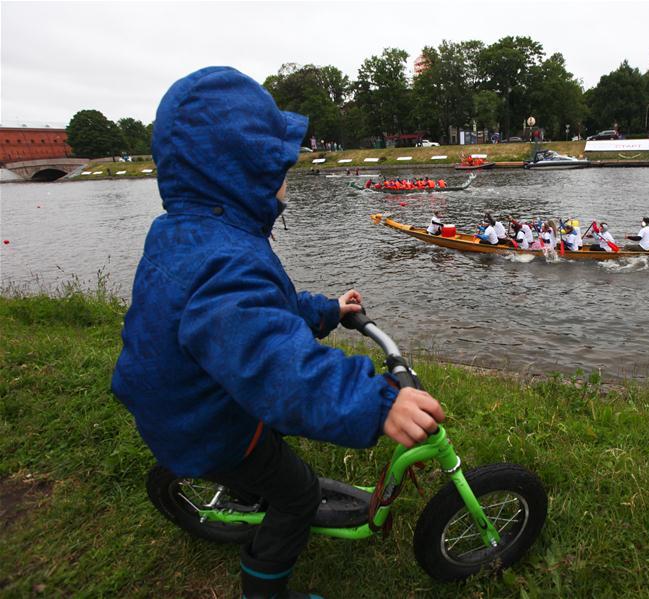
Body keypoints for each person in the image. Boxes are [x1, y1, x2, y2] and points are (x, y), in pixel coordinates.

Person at [111, 67, 444, 599]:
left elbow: (267, 311)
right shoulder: (228, 260)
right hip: (206, 421)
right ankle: (265, 592)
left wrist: (328, 310)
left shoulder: (190, 233)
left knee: (273, 451)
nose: (288, 177)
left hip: (179, 394)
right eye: (279, 164)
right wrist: (376, 403)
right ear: (242, 171)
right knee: (297, 495)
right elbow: (275, 365)